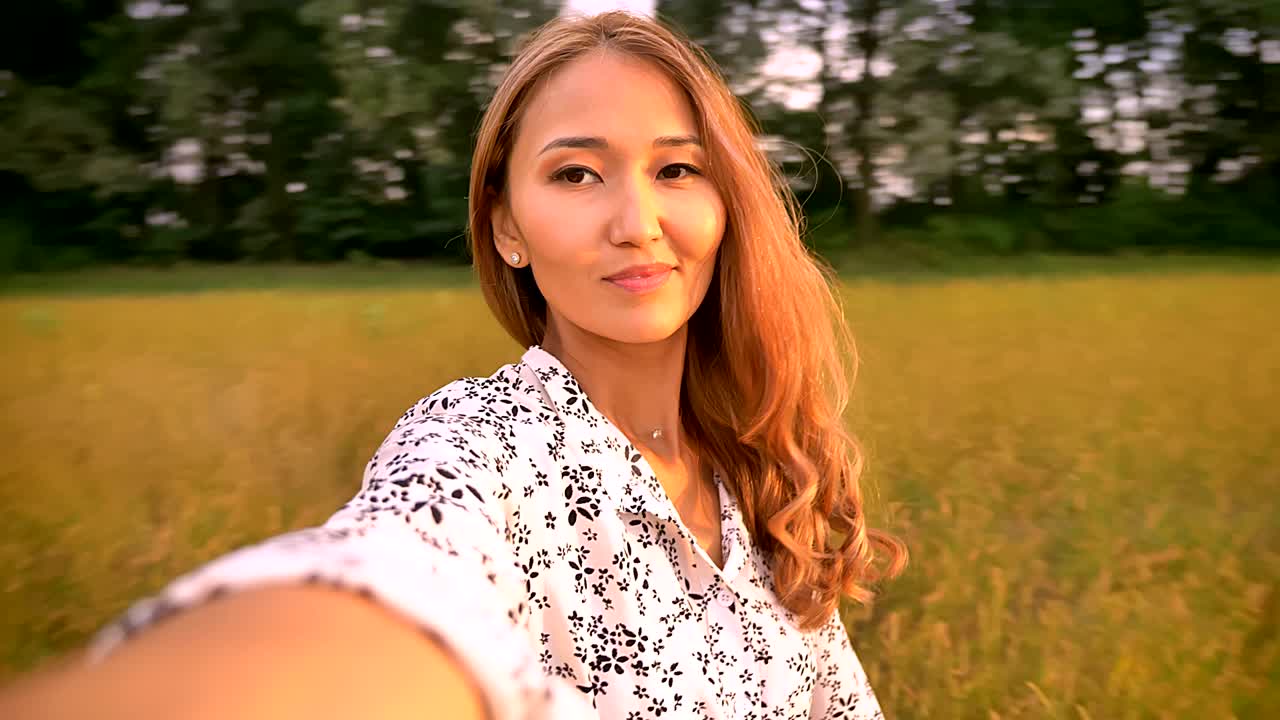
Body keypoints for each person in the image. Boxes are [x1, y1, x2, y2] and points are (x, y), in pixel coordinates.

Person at [0, 10, 906, 720]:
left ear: (727, 202)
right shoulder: (483, 446)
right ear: (507, 226)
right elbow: (388, 574)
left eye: (676, 171)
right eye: (575, 174)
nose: (637, 223)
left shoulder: (754, 476)